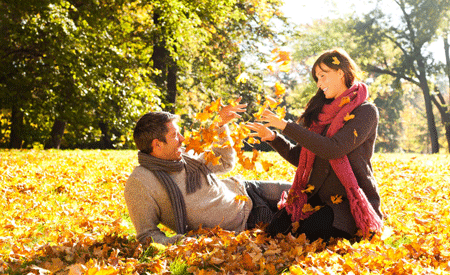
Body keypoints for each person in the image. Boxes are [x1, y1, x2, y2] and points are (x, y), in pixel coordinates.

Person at [246, 48, 383, 242]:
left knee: (307, 233)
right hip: (315, 198)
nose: (319, 83)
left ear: (341, 73)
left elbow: (333, 149)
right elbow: (299, 156)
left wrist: (286, 126)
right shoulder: (322, 115)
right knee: (275, 230)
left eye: (323, 76)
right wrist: (273, 138)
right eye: (317, 78)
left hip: (345, 203)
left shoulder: (366, 111)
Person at [124, 99, 292, 245]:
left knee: (307, 190)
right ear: (157, 144)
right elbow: (147, 235)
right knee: (304, 225)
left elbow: (225, 162)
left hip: (248, 190)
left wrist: (220, 126)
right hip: (247, 221)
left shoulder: (186, 157)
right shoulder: (141, 182)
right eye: (175, 135)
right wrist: (182, 242)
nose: (182, 139)